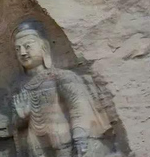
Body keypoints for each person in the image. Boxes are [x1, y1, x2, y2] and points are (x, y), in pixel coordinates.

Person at [10, 21, 111, 157]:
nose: (22, 53)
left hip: (63, 143)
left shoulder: (61, 77)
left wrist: (80, 135)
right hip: (36, 148)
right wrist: (21, 117)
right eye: (18, 49)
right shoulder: (19, 88)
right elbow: (16, 127)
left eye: (28, 46)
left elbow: (79, 106)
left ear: (44, 47)